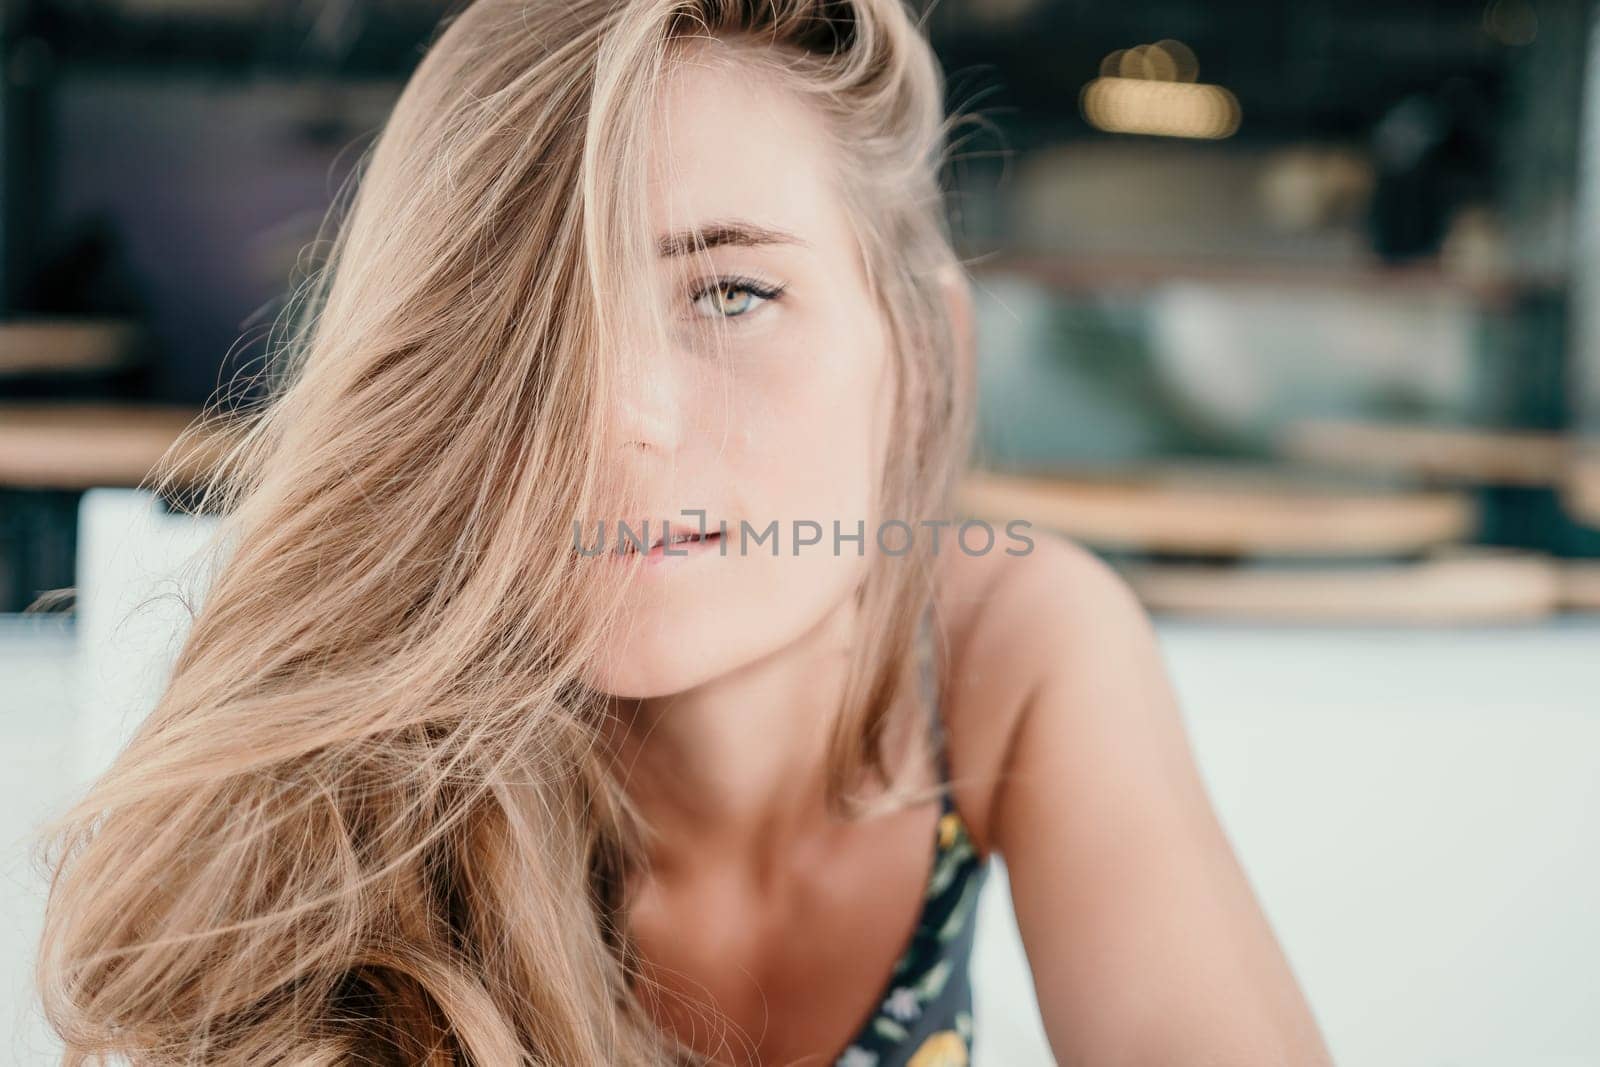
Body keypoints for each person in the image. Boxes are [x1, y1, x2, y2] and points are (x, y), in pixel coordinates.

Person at [33, 0, 1334, 1064]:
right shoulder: (378, 776)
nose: (620, 416)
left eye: (731, 290)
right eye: (540, 319)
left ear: (925, 351)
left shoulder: (1008, 645)